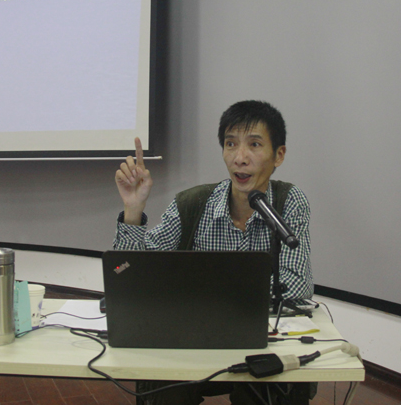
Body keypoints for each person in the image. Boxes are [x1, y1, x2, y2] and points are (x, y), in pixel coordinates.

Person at [113, 100, 314, 404]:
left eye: (254, 145)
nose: (240, 158)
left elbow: (297, 283)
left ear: (279, 155)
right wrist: (133, 209)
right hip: (193, 339)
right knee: (166, 390)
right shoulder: (192, 203)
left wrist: (206, 297)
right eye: (230, 144)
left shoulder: (289, 202)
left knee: (265, 391)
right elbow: (129, 272)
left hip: (262, 340)